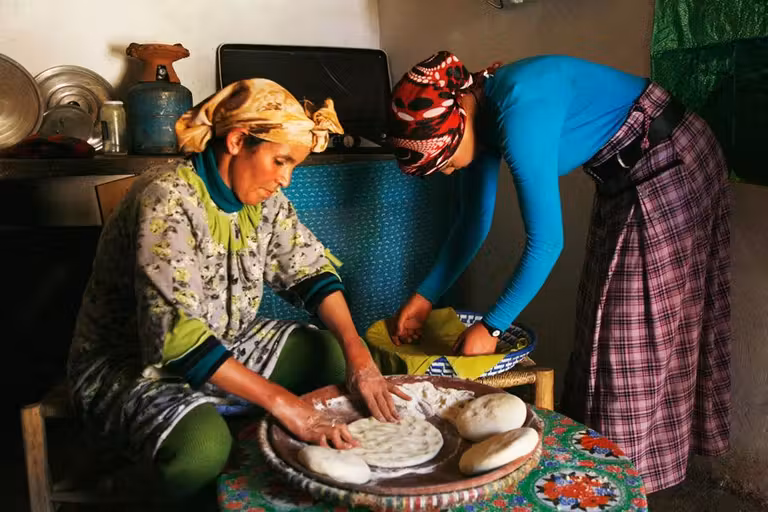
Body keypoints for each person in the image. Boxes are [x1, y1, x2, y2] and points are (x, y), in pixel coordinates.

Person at [385, 52, 731, 493]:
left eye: (445, 161)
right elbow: (472, 224)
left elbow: (547, 244)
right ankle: (606, 470)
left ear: (458, 121)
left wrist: (492, 327)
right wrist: (424, 297)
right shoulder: (476, 115)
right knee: (601, 321)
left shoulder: (520, 106)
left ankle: (623, 485)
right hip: (626, 175)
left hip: (670, 159)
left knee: (629, 331)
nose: (448, 170)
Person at [68, 78, 407, 500]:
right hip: (132, 361)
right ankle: (128, 489)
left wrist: (359, 357)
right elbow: (177, 339)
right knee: (202, 451)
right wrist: (284, 403)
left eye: (293, 166)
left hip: (225, 339)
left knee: (333, 354)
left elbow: (309, 272)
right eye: (280, 161)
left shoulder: (264, 201)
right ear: (237, 140)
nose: (285, 179)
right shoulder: (166, 199)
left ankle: (254, 432)